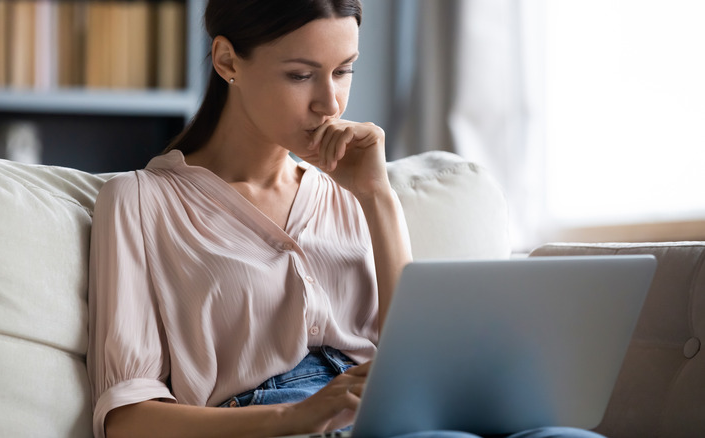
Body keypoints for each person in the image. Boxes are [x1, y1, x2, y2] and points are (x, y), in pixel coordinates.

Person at [87, 1, 607, 438]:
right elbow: (127, 419)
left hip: (388, 416)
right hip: (274, 423)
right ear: (227, 61)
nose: (330, 103)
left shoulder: (351, 191)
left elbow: (416, 359)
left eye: (343, 71)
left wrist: (377, 197)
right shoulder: (140, 201)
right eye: (300, 75)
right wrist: (297, 415)